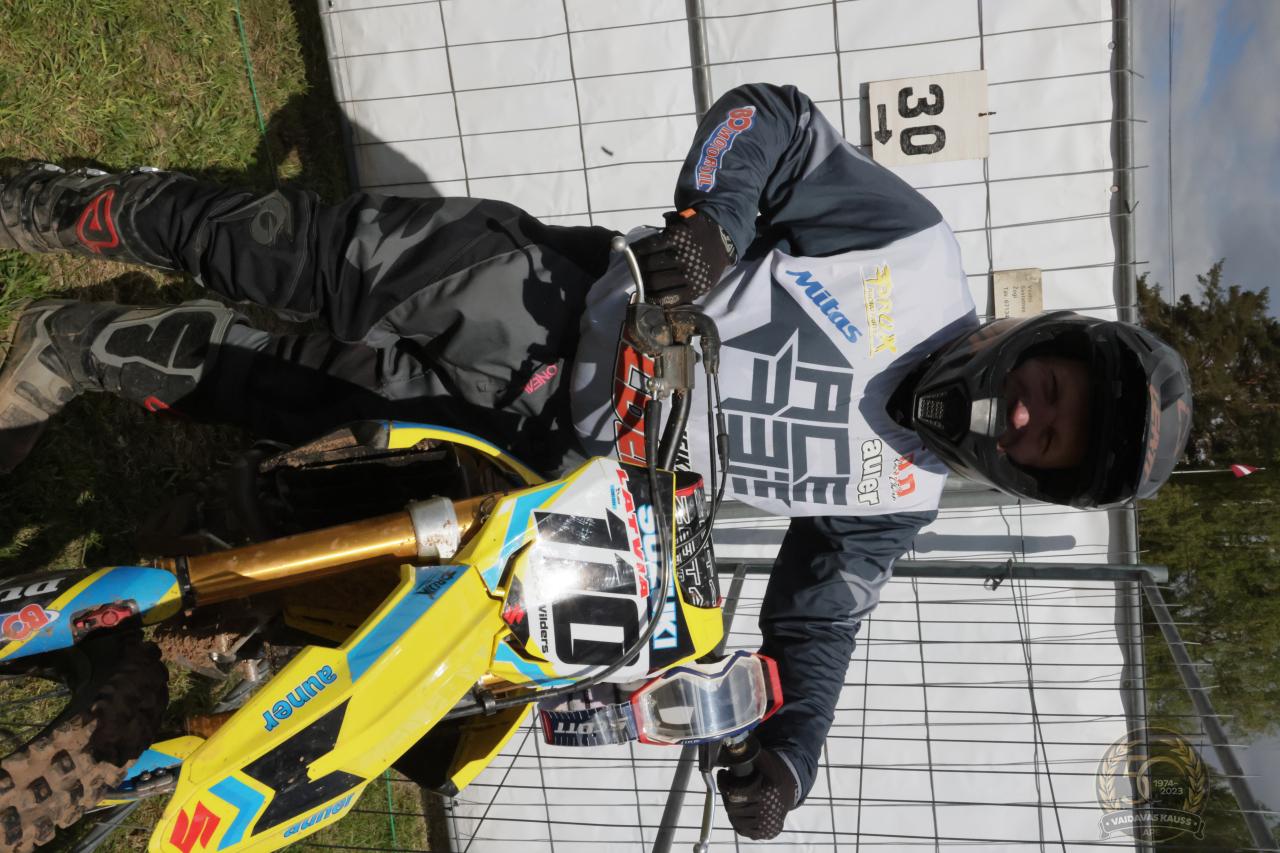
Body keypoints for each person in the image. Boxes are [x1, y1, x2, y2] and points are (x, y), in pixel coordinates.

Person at [0, 83, 1192, 840]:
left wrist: (786, 759)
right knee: (301, 257)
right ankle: (69, 206)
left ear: (1034, 478)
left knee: (290, 392)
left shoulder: (899, 500)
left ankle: (63, 346)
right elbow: (771, 123)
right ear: (1045, 343)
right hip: (547, 302)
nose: (1025, 416)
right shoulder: (911, 253)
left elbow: (817, 622)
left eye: (1048, 442)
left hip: (548, 464)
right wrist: (712, 226)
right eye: (1050, 390)